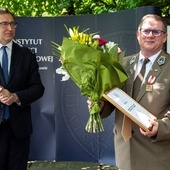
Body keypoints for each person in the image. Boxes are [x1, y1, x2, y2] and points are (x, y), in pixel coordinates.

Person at [88, 14, 169, 170]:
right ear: (138, 34)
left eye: (156, 32)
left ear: (165, 37)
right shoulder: (122, 63)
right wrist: (99, 104)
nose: (150, 35)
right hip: (124, 151)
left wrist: (162, 127)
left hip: (156, 155)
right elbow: (112, 102)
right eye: (146, 31)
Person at [0, 7, 44, 170]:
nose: (10, 28)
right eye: (4, 24)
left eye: (12, 24)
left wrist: (15, 97)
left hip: (19, 129)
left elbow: (38, 88)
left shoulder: (27, 55)